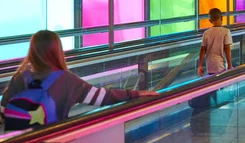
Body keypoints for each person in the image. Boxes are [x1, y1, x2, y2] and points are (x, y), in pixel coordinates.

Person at [1, 30, 157, 130]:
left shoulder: (20, 78)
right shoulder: (68, 81)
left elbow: (3, 112)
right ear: (58, 51)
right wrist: (137, 94)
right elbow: (104, 97)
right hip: (53, 141)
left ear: (33, 50)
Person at [198, 8, 233, 76]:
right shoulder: (226, 31)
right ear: (222, 18)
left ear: (210, 21)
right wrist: (229, 65)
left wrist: (200, 65)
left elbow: (203, 49)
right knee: (221, 84)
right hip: (220, 65)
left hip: (210, 65)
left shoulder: (206, 33)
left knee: (212, 83)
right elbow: (227, 48)